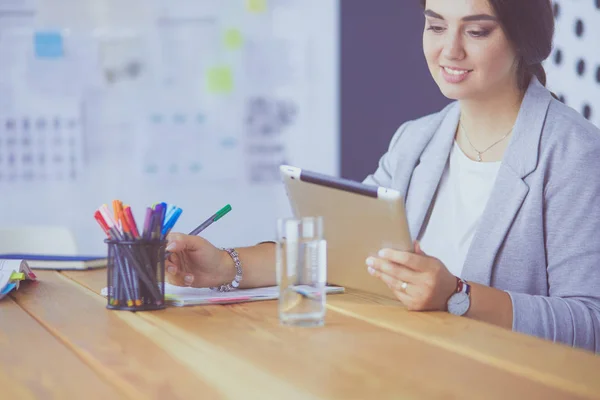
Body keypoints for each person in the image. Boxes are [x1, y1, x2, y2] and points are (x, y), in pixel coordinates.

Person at [165, 0, 600, 352]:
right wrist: (225, 265)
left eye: (476, 30)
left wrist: (457, 294)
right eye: (435, 26)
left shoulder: (574, 153)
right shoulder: (416, 140)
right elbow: (341, 253)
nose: (450, 50)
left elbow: (590, 324)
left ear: (523, 38)